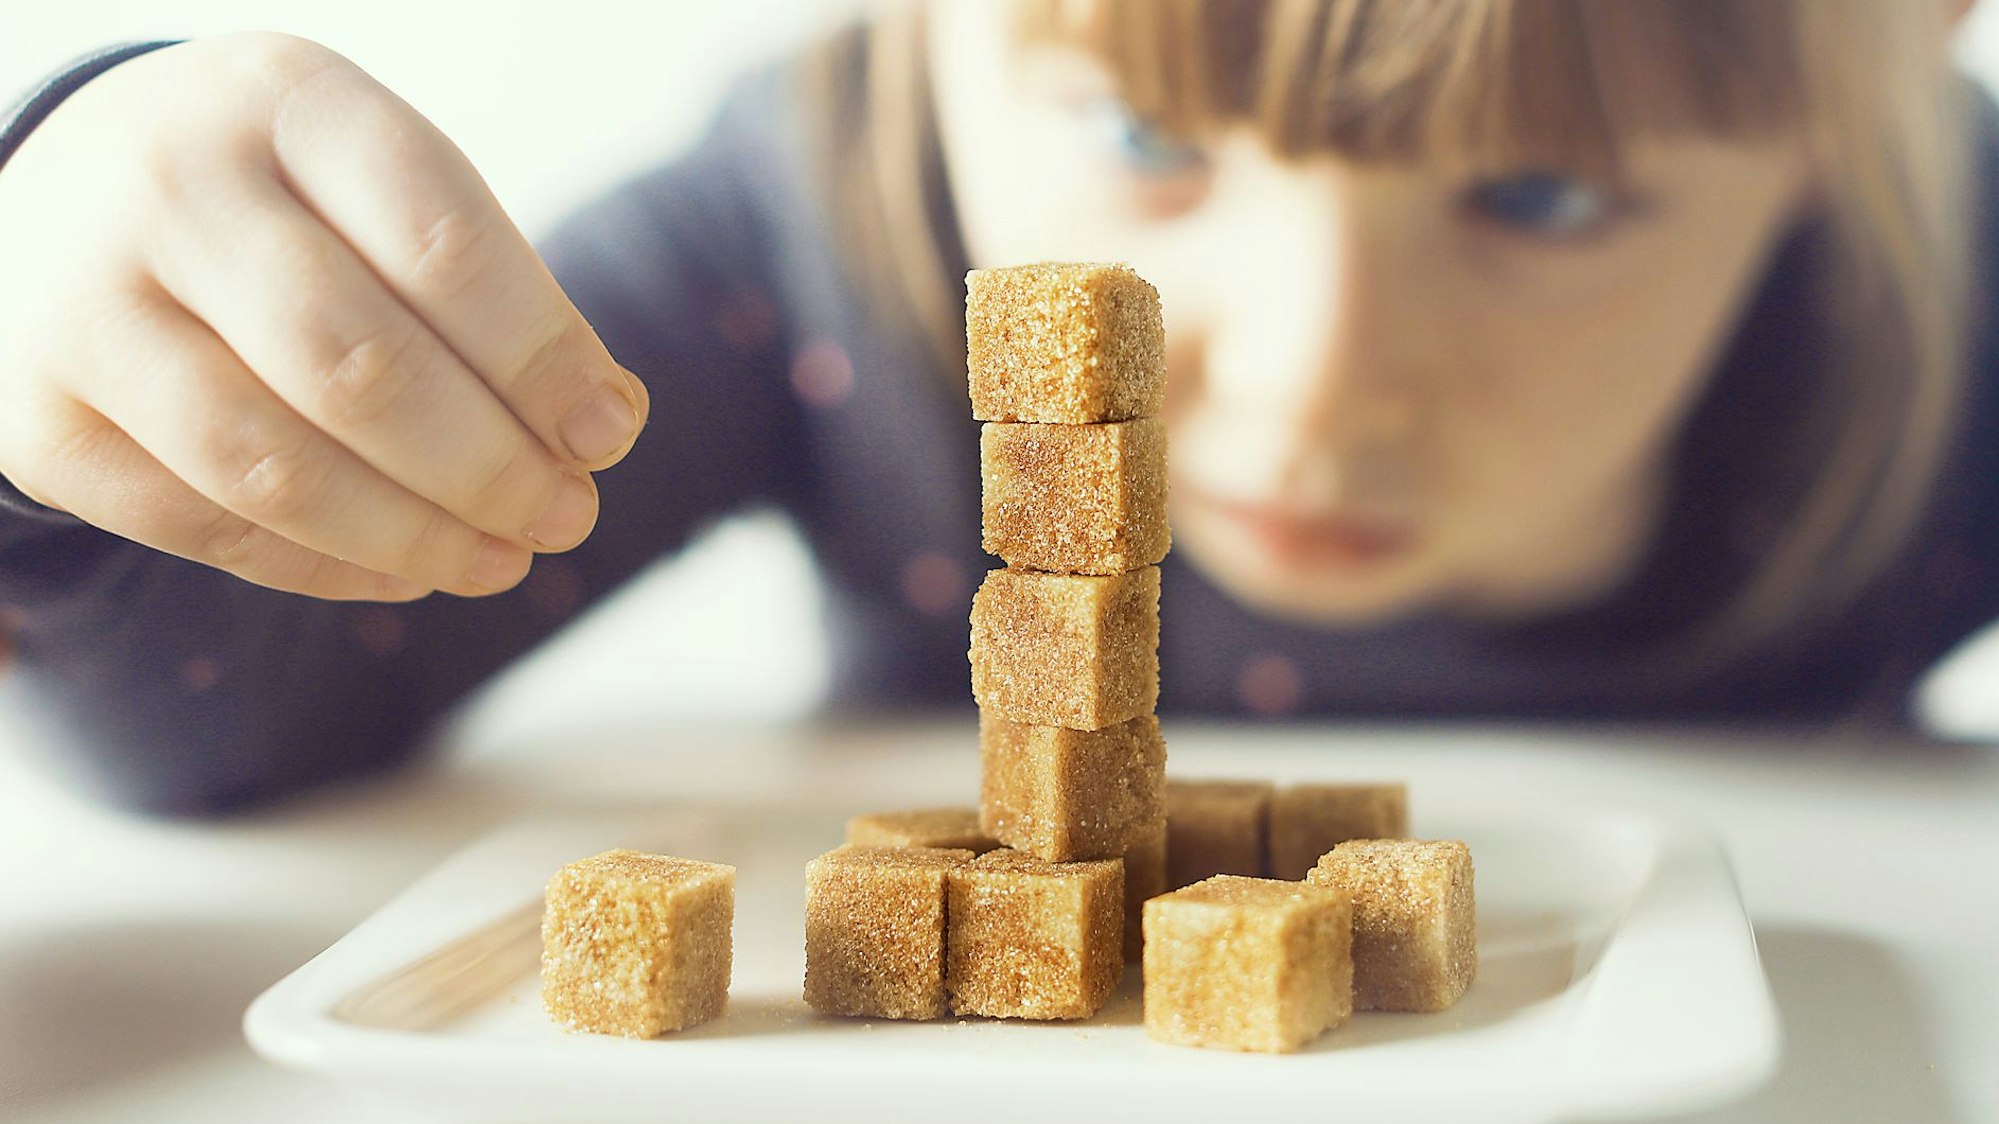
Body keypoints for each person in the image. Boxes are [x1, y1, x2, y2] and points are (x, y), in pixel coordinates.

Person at [0, 0, 1993, 815]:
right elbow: (213, 718)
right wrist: (59, 361)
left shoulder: (1958, 316)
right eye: (1144, 139)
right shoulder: (783, 243)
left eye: (1542, 198)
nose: (1305, 387)